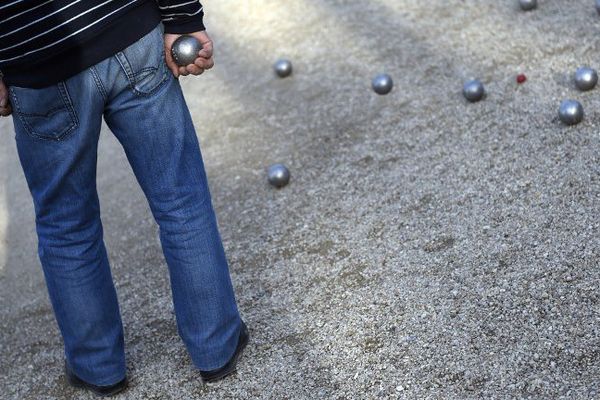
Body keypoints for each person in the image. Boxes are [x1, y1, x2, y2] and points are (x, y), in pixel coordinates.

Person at [0, 0, 248, 396]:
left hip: (36, 61)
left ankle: (99, 368)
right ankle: (215, 347)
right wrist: (183, 17)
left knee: (66, 227)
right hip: (127, 31)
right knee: (180, 201)